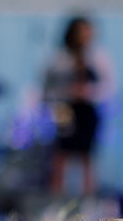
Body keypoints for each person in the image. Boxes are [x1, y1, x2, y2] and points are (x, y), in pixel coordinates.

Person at [43, 16, 115, 194]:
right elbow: (47, 89)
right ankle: (56, 199)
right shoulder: (59, 59)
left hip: (88, 111)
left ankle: (88, 198)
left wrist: (87, 92)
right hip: (65, 110)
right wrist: (68, 92)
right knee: (61, 155)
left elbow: (109, 87)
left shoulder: (98, 58)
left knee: (87, 156)